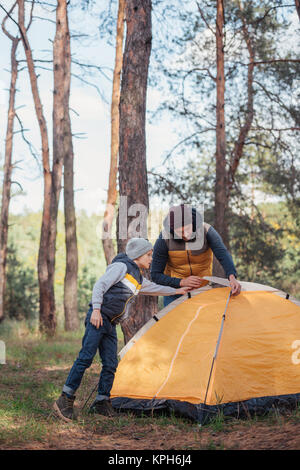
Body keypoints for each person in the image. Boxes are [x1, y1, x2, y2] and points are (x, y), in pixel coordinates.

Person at [53, 237, 189, 422]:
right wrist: (96, 309)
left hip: (110, 324)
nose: (151, 259)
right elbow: (100, 285)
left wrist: (176, 291)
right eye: (149, 255)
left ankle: (102, 402)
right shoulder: (121, 267)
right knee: (85, 357)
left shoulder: (138, 277)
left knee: (110, 364)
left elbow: (153, 288)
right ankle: (65, 399)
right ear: (138, 255)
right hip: (98, 317)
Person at [151, 204, 241, 307]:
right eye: (180, 232)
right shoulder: (164, 238)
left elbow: (223, 254)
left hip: (203, 289)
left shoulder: (206, 230)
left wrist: (232, 277)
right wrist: (181, 282)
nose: (185, 234)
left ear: (192, 223)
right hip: (176, 291)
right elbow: (155, 275)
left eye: (188, 229)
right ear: (172, 229)